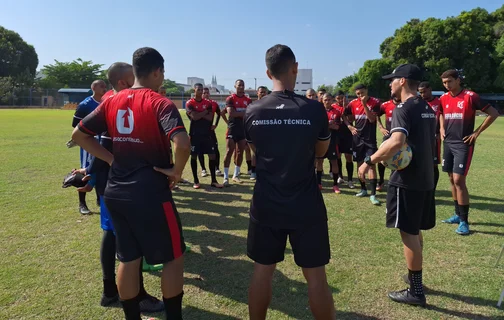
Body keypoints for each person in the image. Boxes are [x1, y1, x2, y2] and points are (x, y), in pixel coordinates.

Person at [72, 47, 191, 320]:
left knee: (128, 258)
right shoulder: (159, 102)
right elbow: (182, 142)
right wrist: (176, 171)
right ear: (158, 71)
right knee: (173, 257)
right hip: (150, 193)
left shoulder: (112, 101)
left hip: (116, 193)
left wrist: (112, 160)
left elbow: (79, 134)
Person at [245, 44, 336, 320]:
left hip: (266, 204)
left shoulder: (254, 110)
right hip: (305, 203)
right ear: (294, 68)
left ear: (266, 72)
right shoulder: (314, 110)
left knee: (263, 271)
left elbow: (254, 153)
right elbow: (320, 152)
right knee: (316, 277)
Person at [74, 62, 163, 313]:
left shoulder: (119, 100)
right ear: (124, 83)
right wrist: (106, 163)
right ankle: (134, 295)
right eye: (134, 77)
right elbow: (84, 135)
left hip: (114, 181)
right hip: (119, 182)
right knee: (126, 238)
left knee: (113, 234)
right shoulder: (118, 102)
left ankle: (111, 290)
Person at [359, 63, 436, 307]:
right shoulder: (426, 107)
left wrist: (369, 161)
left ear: (403, 81)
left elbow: (396, 141)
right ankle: (417, 280)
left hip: (407, 180)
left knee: (408, 232)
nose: (390, 83)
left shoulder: (403, 108)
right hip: (426, 176)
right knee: (415, 229)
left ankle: (415, 291)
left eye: (393, 79)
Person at [438, 69, 499, 235]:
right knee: (451, 178)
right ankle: (457, 215)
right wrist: (442, 128)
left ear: (458, 80)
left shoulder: (470, 96)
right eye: (444, 83)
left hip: (463, 144)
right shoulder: (443, 98)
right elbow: (441, 113)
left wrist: (476, 132)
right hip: (448, 143)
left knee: (459, 180)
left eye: (449, 81)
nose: (446, 85)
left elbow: (493, 113)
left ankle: (464, 221)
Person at [71, 79, 107, 214]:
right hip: (89, 142)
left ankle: (100, 198)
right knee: (87, 170)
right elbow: (75, 124)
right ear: (93, 88)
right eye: (101, 86)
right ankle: (82, 204)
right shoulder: (85, 104)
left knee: (102, 168)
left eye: (105, 86)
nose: (104, 88)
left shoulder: (107, 102)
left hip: (104, 141)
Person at [344, 84, 381, 205]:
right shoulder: (353, 103)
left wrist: (364, 104)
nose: (360, 96)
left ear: (367, 91)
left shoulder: (375, 102)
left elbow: (371, 119)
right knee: (359, 164)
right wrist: (350, 126)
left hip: (370, 140)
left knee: (371, 165)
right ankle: (363, 189)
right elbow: (344, 115)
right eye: (358, 94)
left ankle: (373, 194)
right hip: (357, 139)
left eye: (362, 93)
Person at [186, 83, 223, 189]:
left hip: (207, 134)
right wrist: (204, 112)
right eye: (199, 89)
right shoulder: (190, 103)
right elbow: (194, 117)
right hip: (195, 134)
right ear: (194, 90)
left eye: (202, 90)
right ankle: (196, 181)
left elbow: (210, 117)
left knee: (212, 155)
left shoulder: (208, 103)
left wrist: (199, 114)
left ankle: (214, 181)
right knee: (194, 156)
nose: (201, 91)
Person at [222, 79, 252, 186]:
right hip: (232, 128)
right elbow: (231, 113)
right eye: (239, 85)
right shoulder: (230, 98)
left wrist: (239, 112)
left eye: (243, 85)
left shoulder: (248, 100)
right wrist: (243, 112)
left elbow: (248, 114)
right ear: (235, 86)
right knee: (229, 151)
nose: (241, 86)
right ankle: (226, 177)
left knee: (240, 153)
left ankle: (236, 175)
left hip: (242, 129)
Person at [316, 92, 341, 193]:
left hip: (332, 141)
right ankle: (318, 183)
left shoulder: (337, 112)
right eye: (325, 100)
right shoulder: (318, 111)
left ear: (332, 100)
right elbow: (317, 127)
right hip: (321, 141)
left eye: (329, 99)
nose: (327, 101)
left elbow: (338, 126)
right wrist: (329, 125)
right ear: (322, 100)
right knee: (319, 161)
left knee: (334, 162)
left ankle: (335, 185)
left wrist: (326, 125)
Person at [418, 81, 441, 189]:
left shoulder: (439, 102)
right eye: (420, 92)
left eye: (424, 92)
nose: (422, 95)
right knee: (421, 163)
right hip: (421, 138)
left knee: (433, 164)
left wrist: (440, 131)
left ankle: (433, 188)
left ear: (430, 89)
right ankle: (422, 186)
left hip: (434, 139)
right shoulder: (419, 103)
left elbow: (443, 118)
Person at [376, 97, 400, 190]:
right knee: (381, 158)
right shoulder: (385, 105)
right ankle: (381, 181)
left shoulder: (405, 104)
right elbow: (377, 115)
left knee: (397, 158)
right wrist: (381, 127)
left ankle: (393, 181)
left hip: (400, 137)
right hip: (388, 136)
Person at [332, 91, 355, 189]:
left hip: (348, 134)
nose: (341, 100)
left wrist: (346, 108)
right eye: (338, 98)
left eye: (342, 98)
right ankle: (340, 177)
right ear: (335, 99)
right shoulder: (333, 107)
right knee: (338, 156)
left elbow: (351, 119)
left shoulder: (350, 106)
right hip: (337, 135)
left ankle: (350, 180)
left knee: (348, 157)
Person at [201, 87, 223, 176]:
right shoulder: (197, 103)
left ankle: (217, 168)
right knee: (200, 151)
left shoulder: (213, 103)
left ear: (209, 94)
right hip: (200, 132)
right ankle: (203, 169)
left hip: (210, 131)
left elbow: (219, 113)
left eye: (207, 93)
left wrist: (216, 124)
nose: (206, 94)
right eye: (204, 93)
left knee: (215, 150)